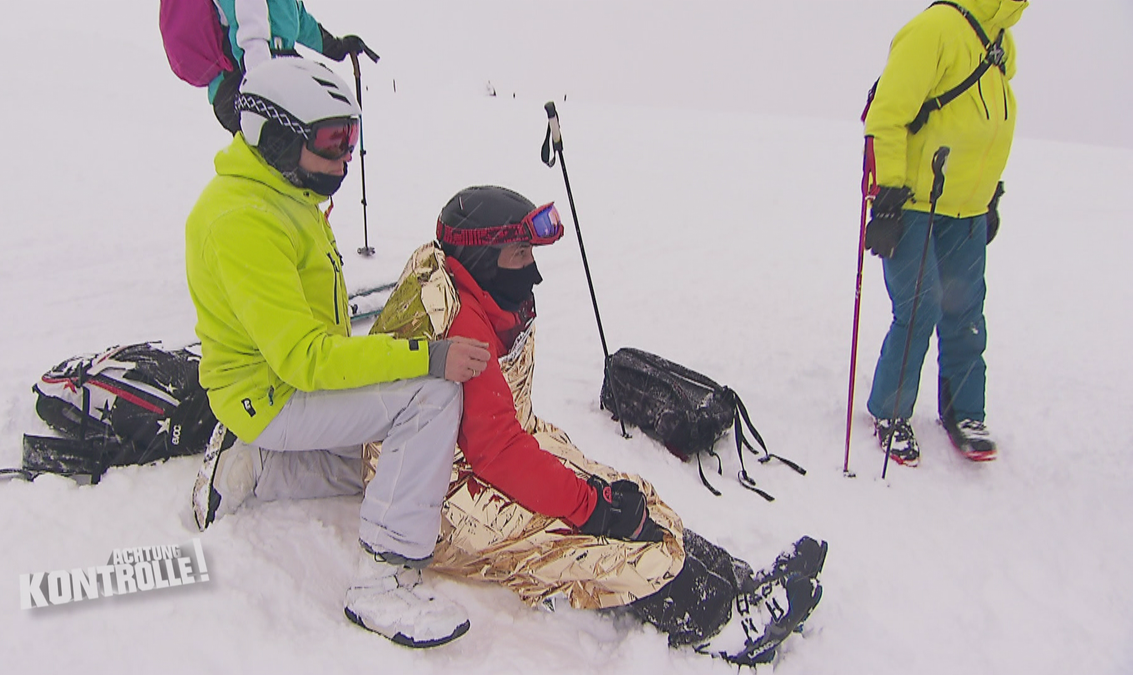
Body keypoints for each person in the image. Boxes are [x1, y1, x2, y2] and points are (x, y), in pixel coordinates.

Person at [366, 186, 827, 666]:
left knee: (625, 493)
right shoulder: (464, 327)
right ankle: (723, 622)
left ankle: (736, 581)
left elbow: (500, 432)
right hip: (443, 492)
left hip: (484, 451)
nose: (533, 270)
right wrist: (592, 510)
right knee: (591, 536)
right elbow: (496, 452)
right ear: (482, 257)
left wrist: (598, 495)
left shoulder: (481, 291)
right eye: (520, 254)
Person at [183, 57, 491, 648]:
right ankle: (385, 580)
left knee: (394, 466)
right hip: (269, 394)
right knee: (430, 398)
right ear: (272, 135)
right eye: (330, 142)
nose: (345, 159)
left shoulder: (282, 191)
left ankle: (260, 471)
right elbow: (307, 359)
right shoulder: (242, 220)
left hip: (283, 382)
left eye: (351, 139)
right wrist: (427, 358)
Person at [863, 0, 1027, 466]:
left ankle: (964, 413)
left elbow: (986, 128)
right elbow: (888, 115)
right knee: (920, 305)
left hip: (968, 206)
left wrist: (990, 194)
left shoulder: (1001, 41)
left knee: (965, 310)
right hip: (915, 200)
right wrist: (889, 197)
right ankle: (890, 413)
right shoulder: (935, 28)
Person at [208, 0, 376, 134]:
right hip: (238, 83)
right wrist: (261, 93)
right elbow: (250, 36)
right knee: (284, 156)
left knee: (319, 129)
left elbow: (300, 22)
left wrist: (337, 47)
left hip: (273, 71)